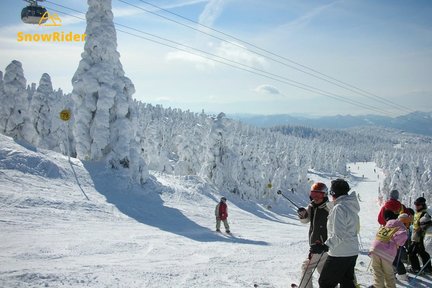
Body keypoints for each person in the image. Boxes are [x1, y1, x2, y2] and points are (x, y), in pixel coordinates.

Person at [310, 179, 360, 288]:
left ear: (333, 193)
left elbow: (339, 234)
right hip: (352, 251)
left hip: (340, 253)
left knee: (325, 283)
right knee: (346, 282)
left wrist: (324, 246)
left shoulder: (339, 208)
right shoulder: (350, 206)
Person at [296, 182, 330, 288]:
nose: (315, 197)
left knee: (306, 267)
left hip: (322, 245)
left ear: (325, 194)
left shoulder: (329, 208)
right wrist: (303, 215)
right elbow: (306, 220)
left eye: (319, 194)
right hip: (316, 245)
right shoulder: (312, 206)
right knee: (322, 269)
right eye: (313, 194)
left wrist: (326, 243)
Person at [369, 210, 408, 288]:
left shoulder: (385, 226)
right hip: (387, 252)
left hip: (374, 248)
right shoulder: (399, 225)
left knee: (377, 271)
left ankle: (378, 286)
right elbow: (403, 235)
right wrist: (398, 242)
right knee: (388, 273)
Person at [408, 197, 431, 273]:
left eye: (418, 204)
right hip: (415, 236)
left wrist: (421, 229)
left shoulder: (424, 213)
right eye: (415, 204)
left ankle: (416, 268)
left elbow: (427, 223)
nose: (416, 206)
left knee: (411, 252)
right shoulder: (417, 213)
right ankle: (427, 268)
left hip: (420, 236)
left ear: (422, 205)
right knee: (422, 252)